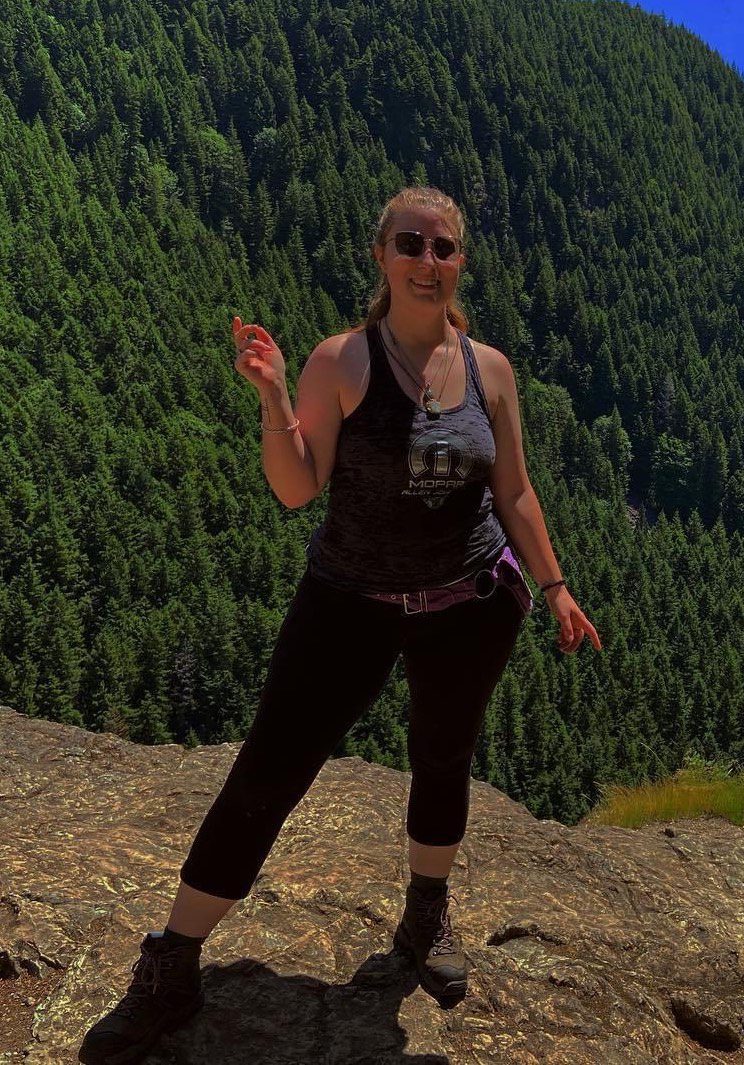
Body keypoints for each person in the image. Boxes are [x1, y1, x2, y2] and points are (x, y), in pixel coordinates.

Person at [79, 185, 601, 1063]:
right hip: (347, 601)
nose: (427, 262)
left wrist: (553, 586)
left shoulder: (491, 370)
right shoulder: (342, 361)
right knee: (270, 769)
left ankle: (423, 918)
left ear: (459, 262)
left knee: (443, 756)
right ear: (381, 256)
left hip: (468, 602)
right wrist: (276, 397)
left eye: (443, 248)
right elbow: (296, 486)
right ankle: (172, 961)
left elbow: (510, 489)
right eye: (411, 244)